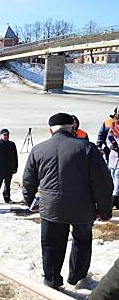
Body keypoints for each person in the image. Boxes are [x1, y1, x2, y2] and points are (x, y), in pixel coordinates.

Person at [22, 113, 113, 290]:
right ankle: (77, 277)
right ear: (73, 128)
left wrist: (30, 201)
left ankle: (52, 280)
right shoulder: (87, 148)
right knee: (82, 241)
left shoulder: (39, 150)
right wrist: (104, 210)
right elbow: (102, 182)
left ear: (50, 130)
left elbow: (28, 180)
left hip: (51, 208)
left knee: (51, 245)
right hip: (83, 207)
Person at [0, 128, 18, 206]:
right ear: (1, 135)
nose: (6, 136)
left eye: (7, 135)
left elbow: (15, 156)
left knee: (7, 185)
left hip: (9, 168)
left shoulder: (12, 144)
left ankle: (7, 198)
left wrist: (15, 167)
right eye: (4, 135)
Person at [106, 116, 119, 209]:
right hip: (113, 157)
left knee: (117, 177)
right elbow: (108, 139)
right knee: (112, 176)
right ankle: (111, 197)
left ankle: (116, 199)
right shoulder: (112, 129)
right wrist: (112, 146)